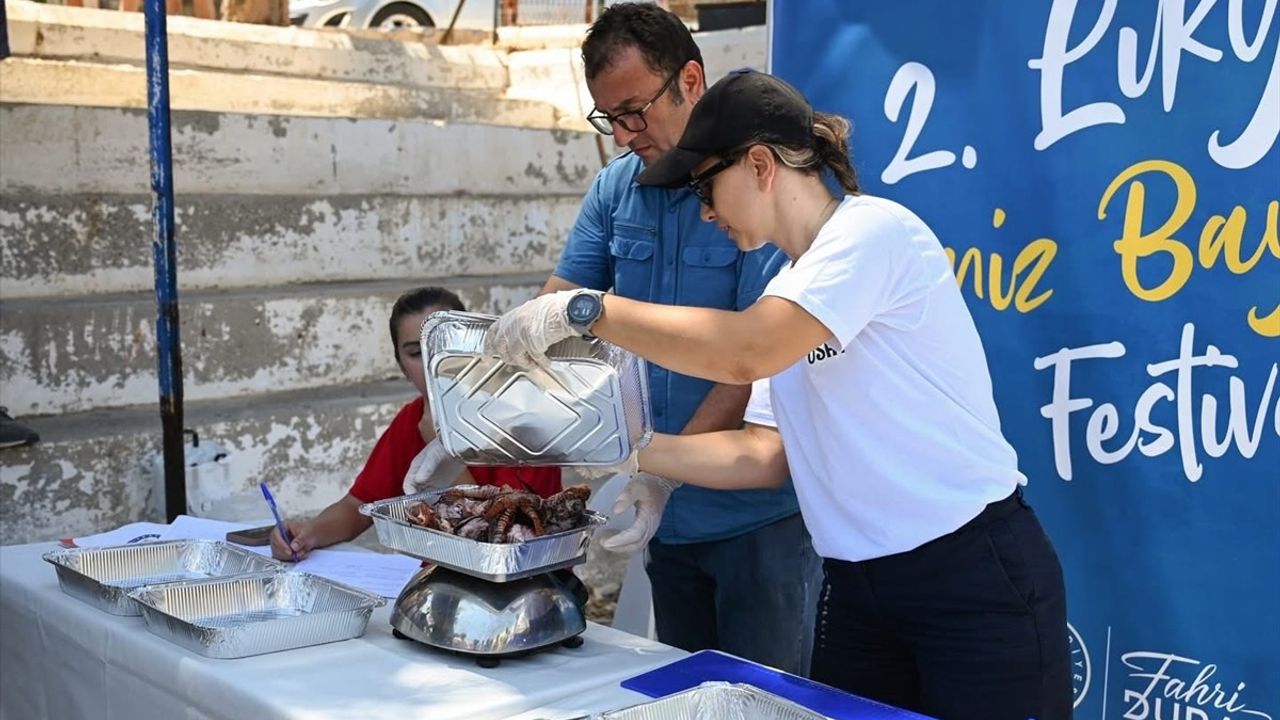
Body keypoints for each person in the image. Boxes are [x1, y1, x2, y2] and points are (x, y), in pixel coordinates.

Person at [487, 70, 1071, 720]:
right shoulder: (791, 287)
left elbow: (746, 349)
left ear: (760, 164)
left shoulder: (873, 233)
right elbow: (763, 456)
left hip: (966, 574)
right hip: (857, 587)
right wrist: (635, 455)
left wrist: (587, 310)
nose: (706, 211)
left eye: (707, 188)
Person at [540, 2, 820, 675]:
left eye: (636, 111)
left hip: (759, 519)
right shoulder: (616, 188)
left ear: (690, 81)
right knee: (687, 696)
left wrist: (658, 474)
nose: (623, 135)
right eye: (609, 118)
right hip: (664, 514)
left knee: (767, 701)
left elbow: (747, 361)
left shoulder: (755, 188)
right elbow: (557, 307)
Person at [270, 286, 562, 562]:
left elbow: (503, 540)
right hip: (445, 578)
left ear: (475, 346)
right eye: (414, 353)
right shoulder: (411, 421)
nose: (432, 362)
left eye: (442, 344)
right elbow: (356, 507)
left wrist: (445, 456)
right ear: (401, 368)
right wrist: (306, 536)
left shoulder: (520, 417)